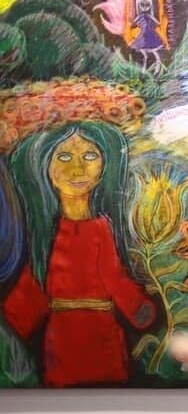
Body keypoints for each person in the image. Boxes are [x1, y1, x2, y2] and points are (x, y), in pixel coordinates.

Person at [2, 122, 155, 387]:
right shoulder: (42, 237)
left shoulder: (101, 229)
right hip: (62, 338)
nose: (77, 169)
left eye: (90, 155)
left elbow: (115, 278)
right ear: (45, 167)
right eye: (64, 157)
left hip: (100, 333)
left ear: (104, 165)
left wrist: (141, 311)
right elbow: (34, 287)